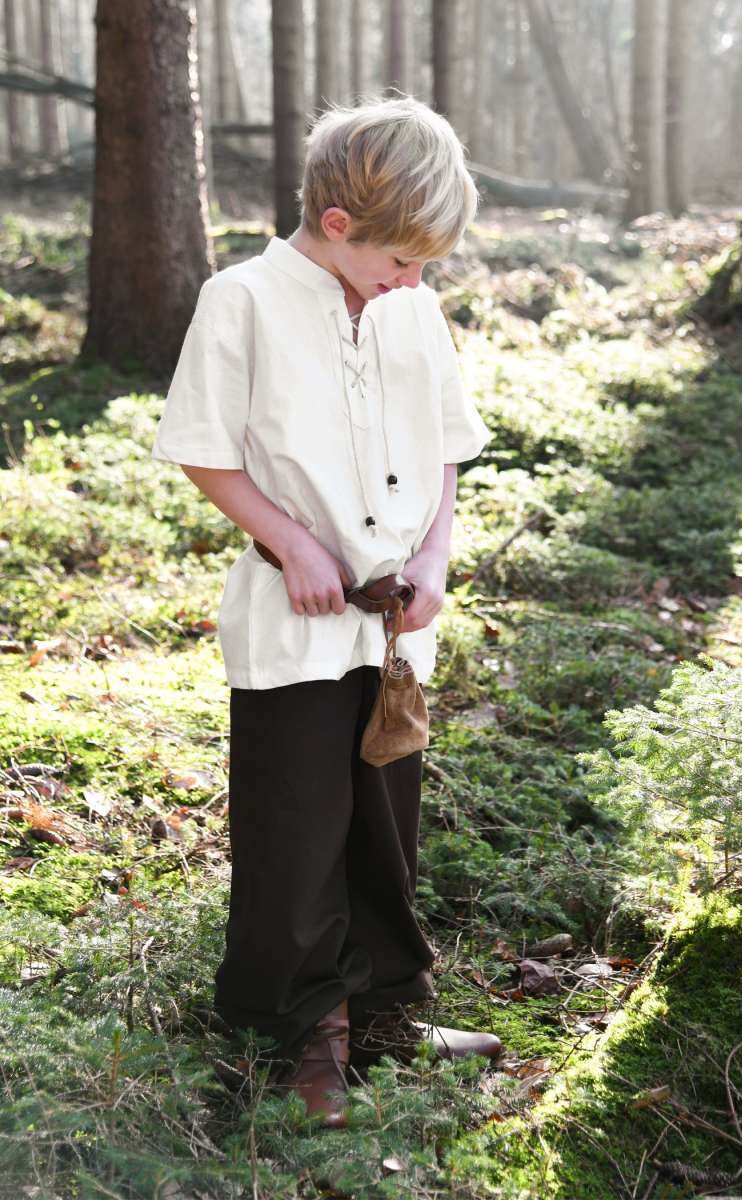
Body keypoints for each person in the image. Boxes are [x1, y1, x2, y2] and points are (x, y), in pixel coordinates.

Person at [150, 94, 501, 1128]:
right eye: (403, 258)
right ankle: (291, 1036)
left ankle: (385, 1012)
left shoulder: (410, 308)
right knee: (296, 833)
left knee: (386, 826)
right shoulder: (243, 300)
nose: (416, 279)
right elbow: (205, 448)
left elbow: (442, 443)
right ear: (339, 226)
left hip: (394, 628)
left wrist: (434, 552)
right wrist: (295, 543)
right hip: (294, 621)